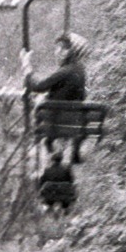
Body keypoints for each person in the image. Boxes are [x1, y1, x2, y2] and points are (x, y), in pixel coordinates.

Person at [22, 32, 89, 163]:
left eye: (62, 48)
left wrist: (26, 66)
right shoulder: (80, 71)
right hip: (73, 123)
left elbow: (38, 86)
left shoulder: (66, 71)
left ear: (71, 52)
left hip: (55, 122)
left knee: (41, 106)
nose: (57, 51)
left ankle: (50, 150)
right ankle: (65, 153)